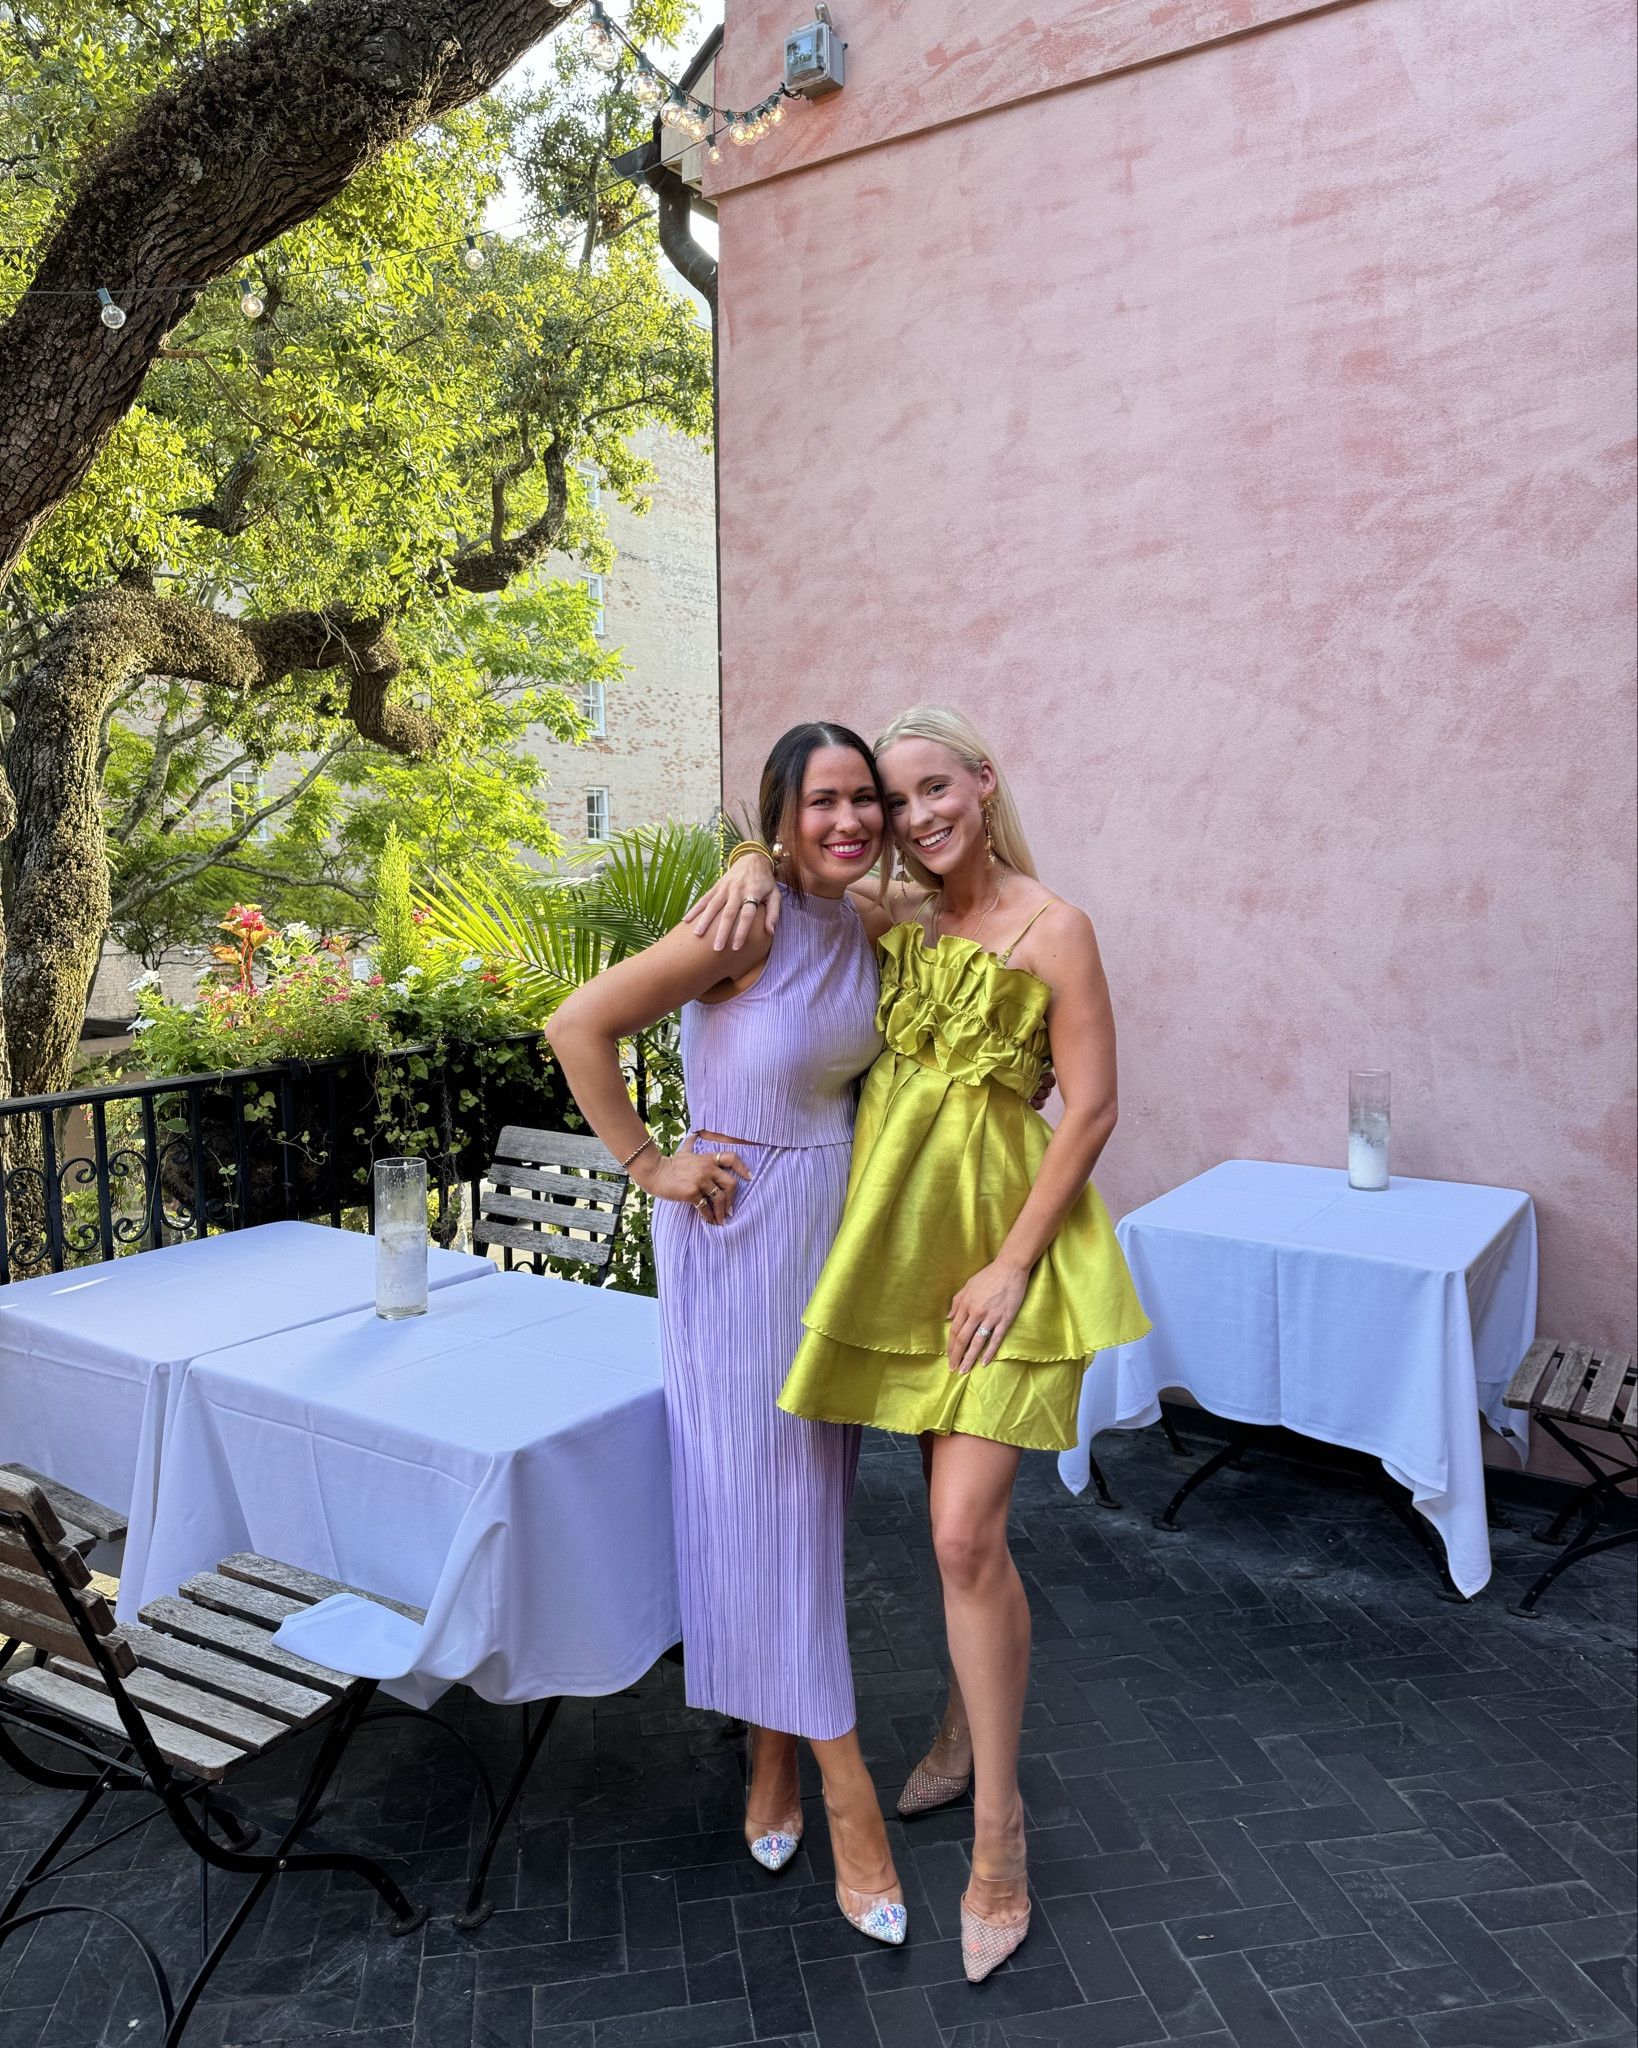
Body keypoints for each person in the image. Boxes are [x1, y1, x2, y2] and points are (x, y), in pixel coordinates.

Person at [688, 705, 1149, 1982]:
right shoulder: (889, 914)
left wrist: (1012, 1263)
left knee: (959, 1533)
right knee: (956, 1541)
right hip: (894, 1248)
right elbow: (789, 882)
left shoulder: (1058, 930)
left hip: (1010, 1252)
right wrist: (741, 857)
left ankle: (999, 1835)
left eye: (933, 787)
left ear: (984, 783)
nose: (912, 815)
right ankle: (960, 1709)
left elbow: (1096, 1103)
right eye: (895, 801)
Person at [545, 723, 908, 1947]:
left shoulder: (862, 924)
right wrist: (650, 1158)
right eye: (822, 802)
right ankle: (845, 1789)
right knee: (768, 1503)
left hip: (835, 1244)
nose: (849, 820)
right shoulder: (735, 924)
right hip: (741, 1238)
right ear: (780, 811)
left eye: (865, 800)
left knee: (803, 1511)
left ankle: (769, 1754)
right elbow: (576, 1024)